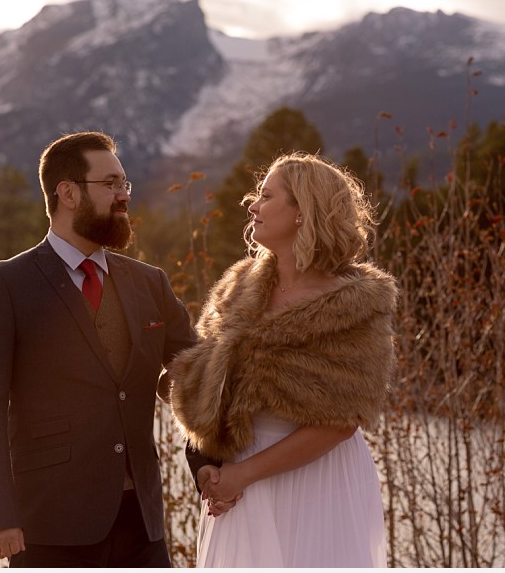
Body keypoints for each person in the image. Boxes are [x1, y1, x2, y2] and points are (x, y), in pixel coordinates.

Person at [0, 131, 196, 567]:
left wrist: (209, 467)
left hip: (143, 525)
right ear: (67, 193)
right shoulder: (5, 285)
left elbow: (202, 377)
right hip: (48, 525)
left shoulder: (150, 283)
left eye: (125, 184)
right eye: (110, 184)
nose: (123, 196)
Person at [163, 151, 397, 567]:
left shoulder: (355, 303)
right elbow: (205, 389)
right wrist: (209, 470)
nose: (251, 204)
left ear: (303, 212)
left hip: (315, 480)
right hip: (234, 481)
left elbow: (341, 423)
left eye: (266, 195)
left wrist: (245, 474)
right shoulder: (238, 285)